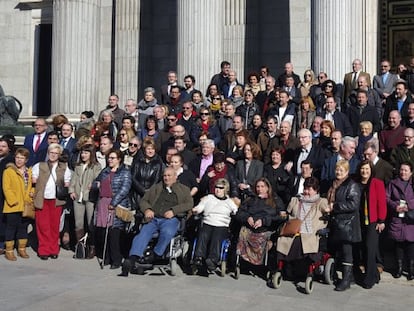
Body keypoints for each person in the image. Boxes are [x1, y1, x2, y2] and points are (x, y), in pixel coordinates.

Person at [120, 167, 193, 276]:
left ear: (175, 177)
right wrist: (147, 209)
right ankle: (132, 259)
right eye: (165, 176)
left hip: (170, 219)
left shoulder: (184, 189)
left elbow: (189, 204)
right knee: (142, 234)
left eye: (169, 176)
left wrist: (174, 211)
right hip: (154, 218)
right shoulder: (156, 188)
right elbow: (144, 200)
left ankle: (155, 255)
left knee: (167, 232)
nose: (166, 178)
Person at [326, 160, 362, 291]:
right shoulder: (334, 184)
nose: (338, 172)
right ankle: (350, 277)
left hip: (348, 224)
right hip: (337, 222)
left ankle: (346, 280)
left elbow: (353, 204)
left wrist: (334, 207)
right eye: (337, 170)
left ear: (347, 172)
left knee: (347, 252)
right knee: (340, 251)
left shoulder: (352, 185)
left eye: (341, 170)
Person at [32, 143, 72, 260]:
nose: (53, 155)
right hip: (42, 199)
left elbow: (67, 183)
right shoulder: (39, 166)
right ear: (48, 153)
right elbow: (33, 181)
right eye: (51, 153)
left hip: (56, 200)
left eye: (56, 153)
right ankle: (44, 250)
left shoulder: (64, 167)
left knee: (54, 226)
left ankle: (53, 249)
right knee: (42, 226)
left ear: (59, 155)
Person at [277, 177, 330, 263]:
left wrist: (328, 210)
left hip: (310, 233)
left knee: (300, 242)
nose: (306, 192)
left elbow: (327, 210)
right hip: (294, 230)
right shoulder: (296, 200)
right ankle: (285, 268)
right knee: (284, 240)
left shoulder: (321, 202)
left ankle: (301, 268)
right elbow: (287, 213)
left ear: (316, 190)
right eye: (305, 188)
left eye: (309, 189)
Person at [93, 149, 131, 269]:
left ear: (119, 159)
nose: (110, 160)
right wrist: (96, 185)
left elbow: (124, 189)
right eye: (109, 158)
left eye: (113, 158)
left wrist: (113, 203)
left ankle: (116, 259)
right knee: (105, 232)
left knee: (114, 233)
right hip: (103, 203)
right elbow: (96, 182)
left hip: (116, 204)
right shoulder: (105, 171)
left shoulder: (125, 172)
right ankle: (107, 257)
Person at [192, 178, 239, 272]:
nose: (217, 189)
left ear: (225, 189)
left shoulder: (229, 202)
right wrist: (196, 209)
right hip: (208, 221)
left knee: (217, 236)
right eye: (216, 187)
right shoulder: (209, 198)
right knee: (203, 233)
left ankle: (213, 260)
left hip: (222, 225)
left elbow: (236, 211)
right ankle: (199, 257)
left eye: (221, 188)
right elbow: (200, 207)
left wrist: (237, 206)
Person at [355, 160, 387, 288]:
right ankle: (375, 275)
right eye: (363, 169)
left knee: (370, 248)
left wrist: (381, 220)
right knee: (362, 248)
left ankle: (369, 280)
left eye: (367, 169)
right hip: (358, 220)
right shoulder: (356, 183)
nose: (365, 171)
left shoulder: (377, 183)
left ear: (371, 170)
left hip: (372, 221)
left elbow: (381, 203)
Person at [235, 178, 281, 267]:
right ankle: (242, 261)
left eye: (262, 186)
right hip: (250, 228)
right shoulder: (251, 199)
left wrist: (264, 221)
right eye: (258, 187)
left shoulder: (275, 200)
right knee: (243, 231)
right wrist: (247, 218)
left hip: (265, 229)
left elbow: (281, 216)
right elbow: (239, 213)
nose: (260, 189)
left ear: (268, 188)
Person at [68, 144, 102, 259]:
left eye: (86, 153)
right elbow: (74, 179)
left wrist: (92, 186)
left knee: (90, 223)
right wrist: (71, 190)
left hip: (90, 198)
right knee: (78, 224)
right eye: (82, 152)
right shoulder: (78, 166)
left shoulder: (96, 166)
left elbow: (98, 180)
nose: (83, 155)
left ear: (91, 154)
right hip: (78, 196)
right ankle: (80, 246)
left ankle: (92, 247)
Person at [2, 148, 33, 260]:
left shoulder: (29, 172)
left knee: (23, 228)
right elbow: (6, 188)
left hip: (25, 205)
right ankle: (9, 250)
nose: (19, 160)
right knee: (11, 228)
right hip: (13, 205)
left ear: (26, 160)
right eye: (17, 157)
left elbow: (32, 186)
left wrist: (31, 194)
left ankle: (22, 249)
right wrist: (13, 200)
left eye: (22, 158)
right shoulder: (8, 171)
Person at [386, 161, 414, 280]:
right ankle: (399, 268)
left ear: (411, 172)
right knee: (398, 244)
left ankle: (411, 269)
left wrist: (410, 205)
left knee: (411, 245)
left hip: (410, 219)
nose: (403, 172)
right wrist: (394, 205)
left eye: (406, 170)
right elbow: (386, 197)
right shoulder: (393, 183)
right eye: (401, 170)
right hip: (397, 217)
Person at [130, 138, 164, 210]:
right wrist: (142, 190)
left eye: (152, 149)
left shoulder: (158, 163)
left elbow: (157, 179)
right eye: (148, 149)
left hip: (151, 195)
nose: (150, 151)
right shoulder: (138, 162)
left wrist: (148, 191)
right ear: (144, 150)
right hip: (136, 194)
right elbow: (133, 177)